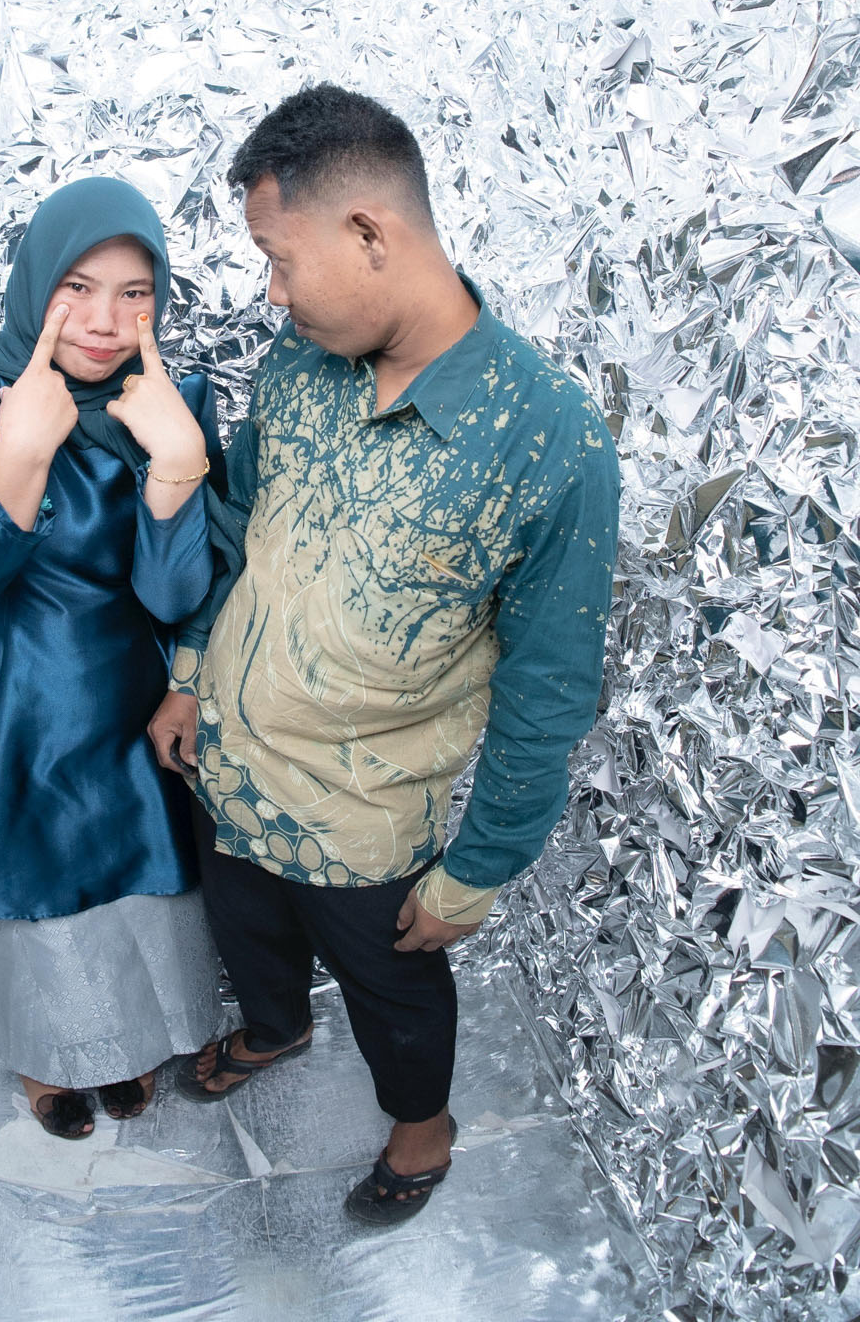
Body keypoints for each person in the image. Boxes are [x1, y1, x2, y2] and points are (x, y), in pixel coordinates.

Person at [148, 85, 620, 1223]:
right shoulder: (299, 361)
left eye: (279, 259)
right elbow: (236, 522)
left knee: (395, 994)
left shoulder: (548, 436)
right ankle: (274, 1029)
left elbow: (548, 687)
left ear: (368, 233)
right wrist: (189, 673)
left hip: (360, 823)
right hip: (227, 769)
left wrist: (480, 868)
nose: (271, 292)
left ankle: (422, 1128)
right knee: (246, 935)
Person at [0, 177, 228, 1139]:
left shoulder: (168, 402)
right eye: (78, 287)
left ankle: (127, 1044)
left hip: (126, 688)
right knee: (43, 898)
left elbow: (174, 597)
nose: (106, 320)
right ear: (38, 280)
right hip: (16, 694)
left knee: (142, 882)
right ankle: (52, 1060)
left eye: (135, 294)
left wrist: (176, 462)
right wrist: (24, 450)